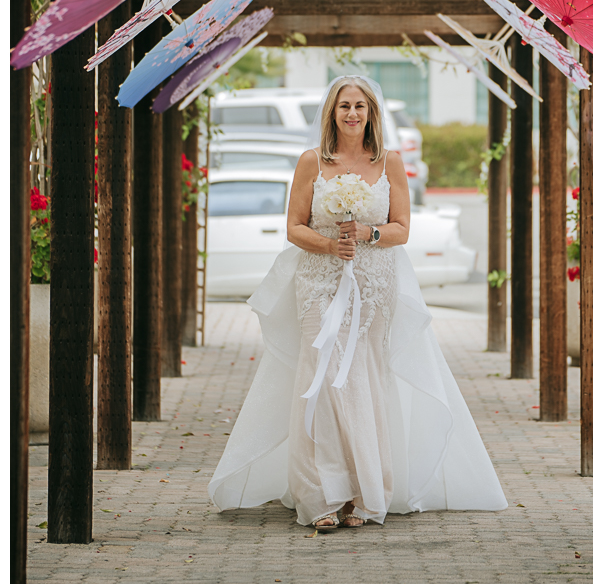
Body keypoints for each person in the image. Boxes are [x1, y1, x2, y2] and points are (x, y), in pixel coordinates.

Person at [208, 75, 507, 530]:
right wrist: (330, 246)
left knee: (363, 378)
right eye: (343, 106)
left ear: (371, 114)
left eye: (359, 107)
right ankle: (320, 495)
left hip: (371, 283)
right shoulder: (312, 161)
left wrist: (367, 234)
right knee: (320, 377)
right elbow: (294, 226)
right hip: (318, 281)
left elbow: (402, 228)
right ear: (332, 112)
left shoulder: (389, 162)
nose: (351, 113)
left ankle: (365, 491)